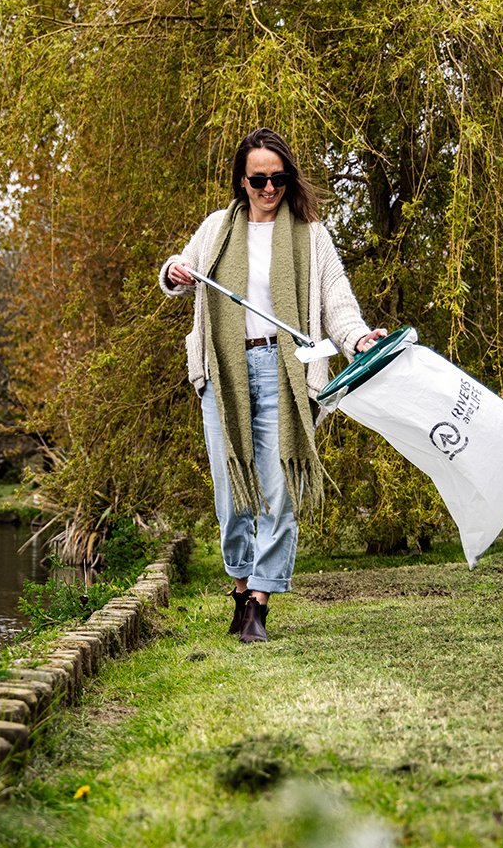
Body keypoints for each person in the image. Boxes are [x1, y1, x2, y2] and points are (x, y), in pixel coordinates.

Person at [159, 128, 386, 644]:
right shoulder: (217, 228)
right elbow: (175, 276)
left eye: (278, 178)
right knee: (229, 493)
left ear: (288, 178)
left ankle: (260, 601)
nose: (269, 188)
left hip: (283, 371)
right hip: (224, 374)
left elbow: (338, 305)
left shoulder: (311, 235)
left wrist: (360, 340)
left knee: (277, 491)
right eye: (258, 178)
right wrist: (175, 271)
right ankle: (239, 586)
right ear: (242, 179)